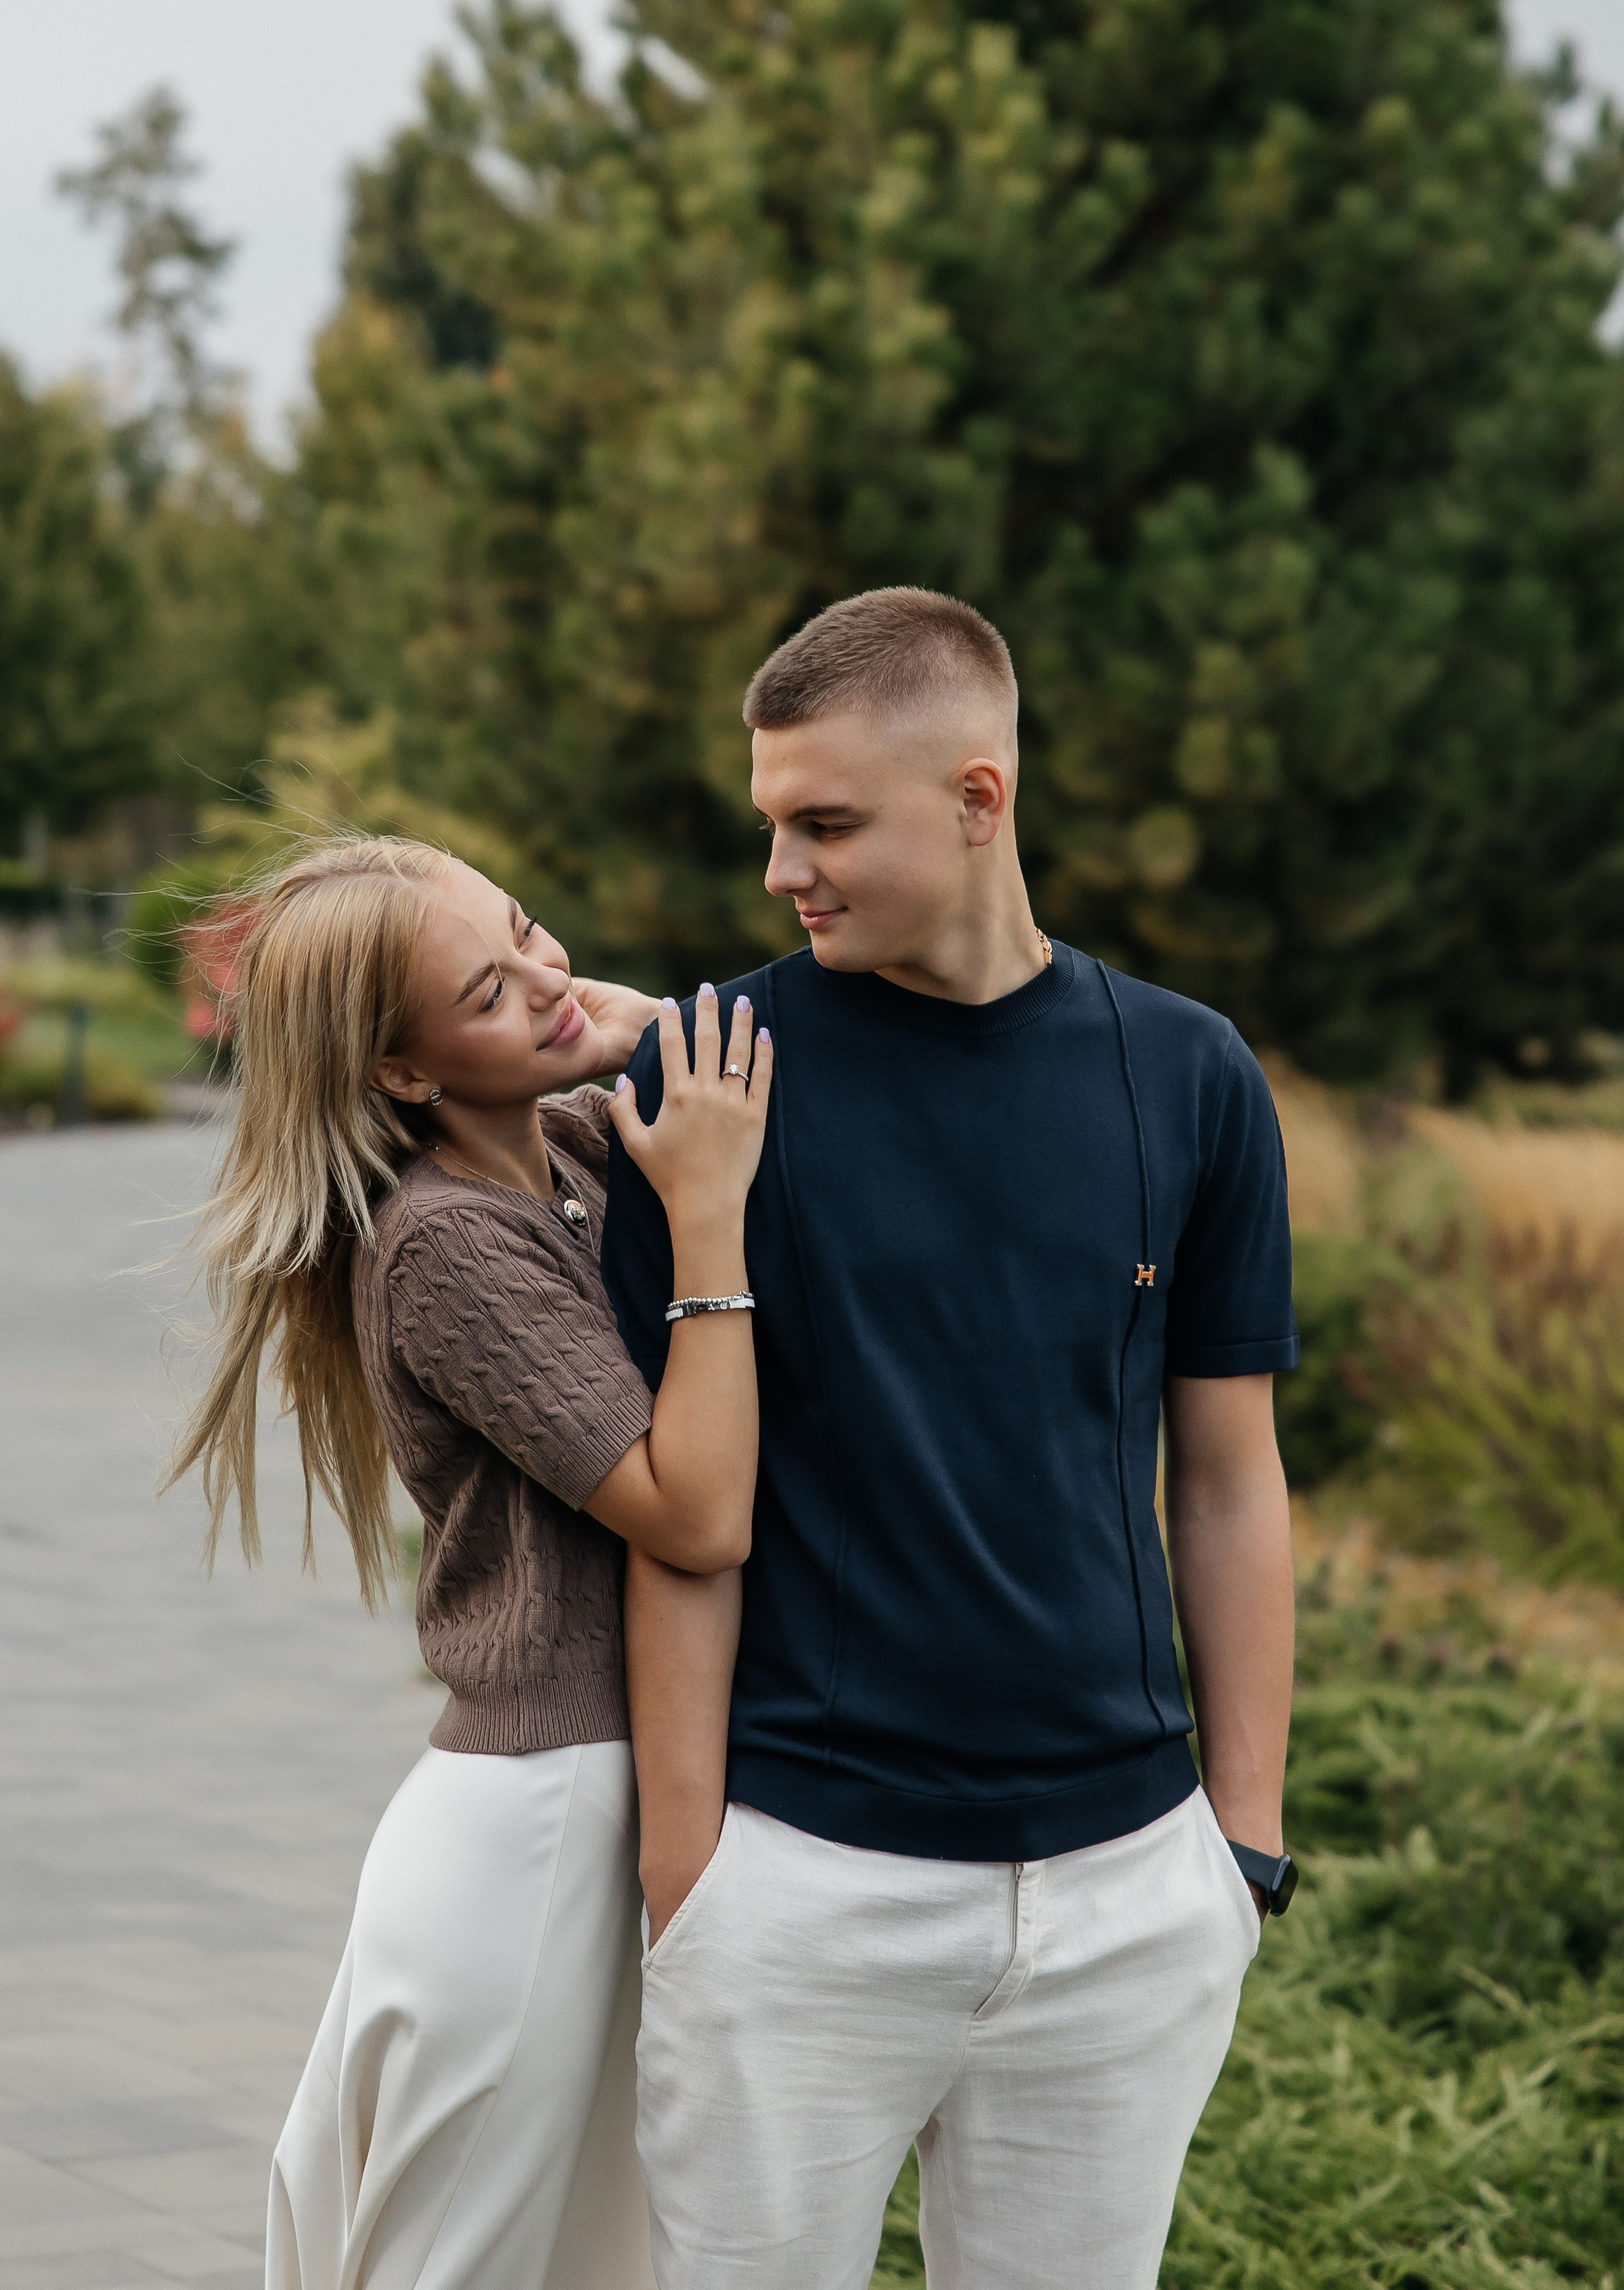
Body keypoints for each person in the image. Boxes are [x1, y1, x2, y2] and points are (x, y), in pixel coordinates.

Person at [603, 588, 1299, 2290]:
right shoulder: (705, 1076)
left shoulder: (1188, 1072)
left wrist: (1240, 1844)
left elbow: (1223, 1472)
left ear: (976, 797)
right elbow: (678, 1510)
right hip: (800, 1883)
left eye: (824, 821)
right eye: (771, 823)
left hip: (1127, 1893)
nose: (783, 868)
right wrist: (689, 1885)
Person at [164, 835, 770, 2290]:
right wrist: (705, 1217)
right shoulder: (440, 1244)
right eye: (490, 993)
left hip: (576, 1800)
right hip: (539, 1825)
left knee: (566, 2250)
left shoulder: (560, 1152)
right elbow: (693, 1513)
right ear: (404, 1074)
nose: (552, 983)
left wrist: (589, 1020)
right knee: (471, 2259)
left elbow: (639, 1035)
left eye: (532, 930)